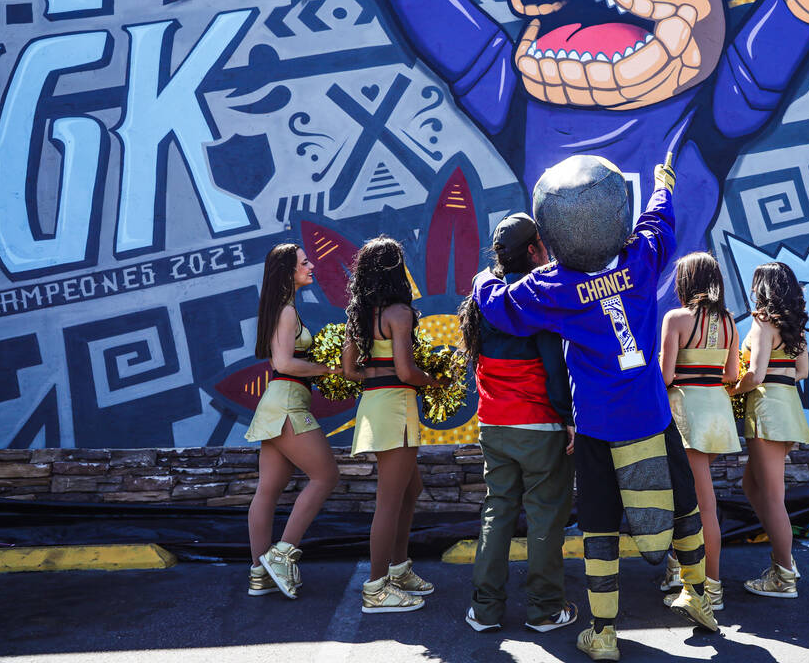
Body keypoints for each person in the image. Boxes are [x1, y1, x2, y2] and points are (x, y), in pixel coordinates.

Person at [472, 155, 718, 662]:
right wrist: (662, 183)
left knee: (599, 525)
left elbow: (499, 306)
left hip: (597, 426)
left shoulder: (554, 287)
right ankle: (699, 592)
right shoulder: (644, 258)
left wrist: (482, 279)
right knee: (684, 504)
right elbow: (659, 218)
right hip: (651, 413)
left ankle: (603, 632)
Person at [457, 213, 577, 634]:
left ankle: (484, 610)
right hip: (538, 421)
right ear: (533, 249)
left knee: (498, 512)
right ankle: (545, 611)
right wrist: (567, 418)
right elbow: (553, 365)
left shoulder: (484, 295)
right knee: (545, 516)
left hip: (493, 423)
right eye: (542, 244)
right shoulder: (536, 296)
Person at [343, 236, 445, 613]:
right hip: (397, 409)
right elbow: (406, 371)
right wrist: (437, 381)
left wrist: (376, 370)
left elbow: (350, 369)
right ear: (395, 271)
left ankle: (399, 570)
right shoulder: (400, 313)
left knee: (410, 488)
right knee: (388, 501)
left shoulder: (359, 314)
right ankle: (375, 588)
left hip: (374, 404)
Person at [244, 243, 340, 599]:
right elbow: (283, 364)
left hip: (279, 404)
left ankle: (259, 574)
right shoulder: (285, 313)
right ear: (287, 271)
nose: (311, 266)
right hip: (287, 406)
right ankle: (282, 554)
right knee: (326, 475)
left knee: (268, 490)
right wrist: (328, 367)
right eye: (304, 263)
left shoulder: (282, 309)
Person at [657, 252, 740, 610]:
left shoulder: (676, 318)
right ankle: (682, 571)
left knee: (701, 504)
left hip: (685, 413)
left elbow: (665, 376)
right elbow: (733, 375)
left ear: (686, 282)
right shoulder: (730, 322)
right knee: (693, 499)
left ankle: (710, 590)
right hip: (717, 412)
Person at [726, 262, 809, 598]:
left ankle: (784, 575)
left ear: (763, 288)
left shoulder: (763, 320)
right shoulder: (795, 325)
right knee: (752, 485)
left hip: (767, 410)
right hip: (789, 407)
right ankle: (785, 559)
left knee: (773, 498)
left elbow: (756, 374)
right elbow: (802, 371)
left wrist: (731, 389)